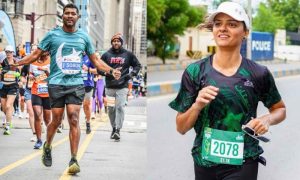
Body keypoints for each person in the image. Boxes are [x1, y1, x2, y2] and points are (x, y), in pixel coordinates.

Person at [169, 2, 286, 180]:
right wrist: (197, 105)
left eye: (232, 24)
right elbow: (181, 127)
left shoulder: (258, 73)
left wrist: (267, 119)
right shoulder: (195, 72)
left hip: (243, 162)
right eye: (218, 23)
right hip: (204, 161)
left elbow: (280, 109)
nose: (223, 28)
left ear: (245, 32)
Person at [14, 3, 121, 174]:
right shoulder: (52, 35)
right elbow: (35, 55)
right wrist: (17, 62)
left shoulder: (83, 37)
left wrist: (111, 70)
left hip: (75, 84)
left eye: (73, 13)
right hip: (56, 83)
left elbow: (95, 61)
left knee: (73, 118)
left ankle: (74, 159)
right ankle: (48, 146)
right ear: (62, 16)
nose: (70, 16)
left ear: (78, 17)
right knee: (56, 120)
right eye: (67, 13)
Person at [100, 33, 141, 141]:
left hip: (122, 86)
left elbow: (138, 65)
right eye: (114, 41)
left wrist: (130, 75)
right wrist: (108, 73)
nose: (116, 43)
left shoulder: (128, 54)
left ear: (121, 42)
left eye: (118, 41)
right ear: (112, 43)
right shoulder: (106, 55)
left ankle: (118, 130)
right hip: (109, 87)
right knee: (111, 109)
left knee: (120, 107)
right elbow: (99, 68)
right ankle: (113, 128)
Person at [30, 51, 51, 149]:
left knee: (47, 119)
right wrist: (30, 76)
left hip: (48, 93)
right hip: (36, 91)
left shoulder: (51, 61)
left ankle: (49, 139)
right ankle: (39, 140)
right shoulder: (33, 61)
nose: (45, 55)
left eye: (47, 53)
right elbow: (30, 75)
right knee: (37, 115)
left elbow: (53, 76)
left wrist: (46, 71)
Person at [0, 45, 20, 135]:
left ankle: (8, 126)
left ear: (13, 53)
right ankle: (9, 119)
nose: (8, 54)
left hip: (13, 86)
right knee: (4, 108)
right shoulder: (2, 62)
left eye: (10, 52)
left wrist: (16, 74)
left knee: (8, 106)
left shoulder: (16, 62)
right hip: (4, 86)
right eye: (7, 52)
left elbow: (20, 74)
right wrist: (2, 72)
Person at [81, 52, 97, 134]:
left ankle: (88, 122)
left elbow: (97, 70)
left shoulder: (90, 57)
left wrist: (88, 69)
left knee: (86, 104)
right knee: (76, 106)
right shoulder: (75, 57)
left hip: (88, 84)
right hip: (76, 84)